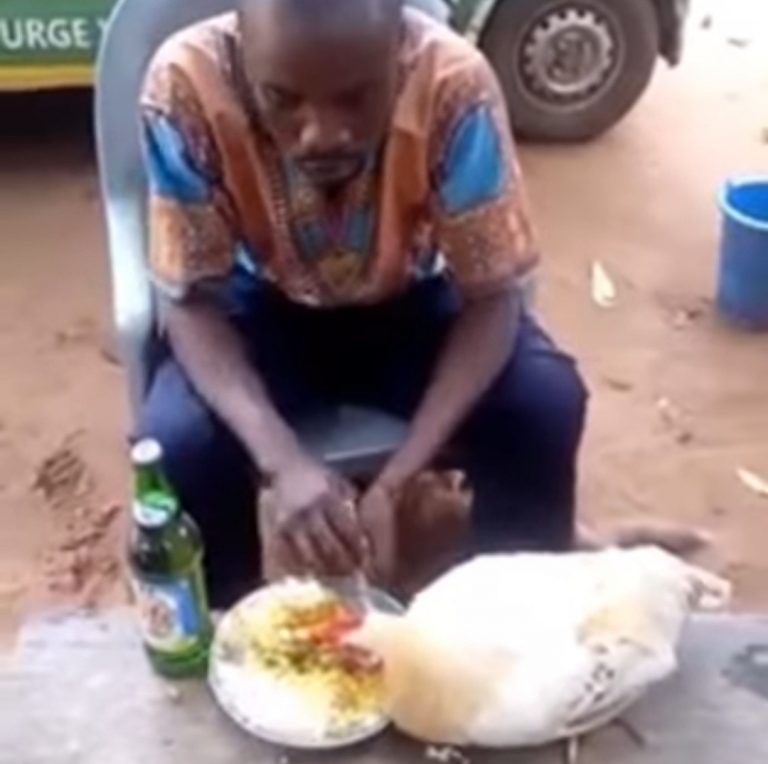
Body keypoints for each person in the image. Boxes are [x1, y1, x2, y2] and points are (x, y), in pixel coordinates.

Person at [137, 0, 588, 606]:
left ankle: (516, 629)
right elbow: (190, 303)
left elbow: (491, 297)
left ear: (398, 51)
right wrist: (283, 463)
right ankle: (231, 634)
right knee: (178, 442)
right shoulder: (185, 83)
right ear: (242, 48)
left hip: (413, 301)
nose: (322, 133)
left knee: (544, 404)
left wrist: (396, 483)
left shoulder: (453, 84)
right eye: (282, 99)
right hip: (260, 305)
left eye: (356, 97)